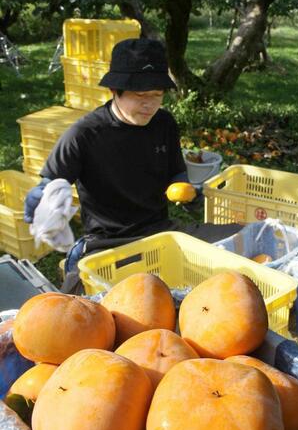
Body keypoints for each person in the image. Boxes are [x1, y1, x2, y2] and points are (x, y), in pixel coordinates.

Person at [24, 38, 241, 292]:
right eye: (140, 95)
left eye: (157, 95)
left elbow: (176, 172)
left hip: (161, 233)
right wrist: (42, 200)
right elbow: (49, 185)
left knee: (243, 238)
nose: (149, 105)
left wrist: (185, 189)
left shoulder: (164, 124)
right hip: (108, 242)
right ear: (115, 91)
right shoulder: (84, 134)